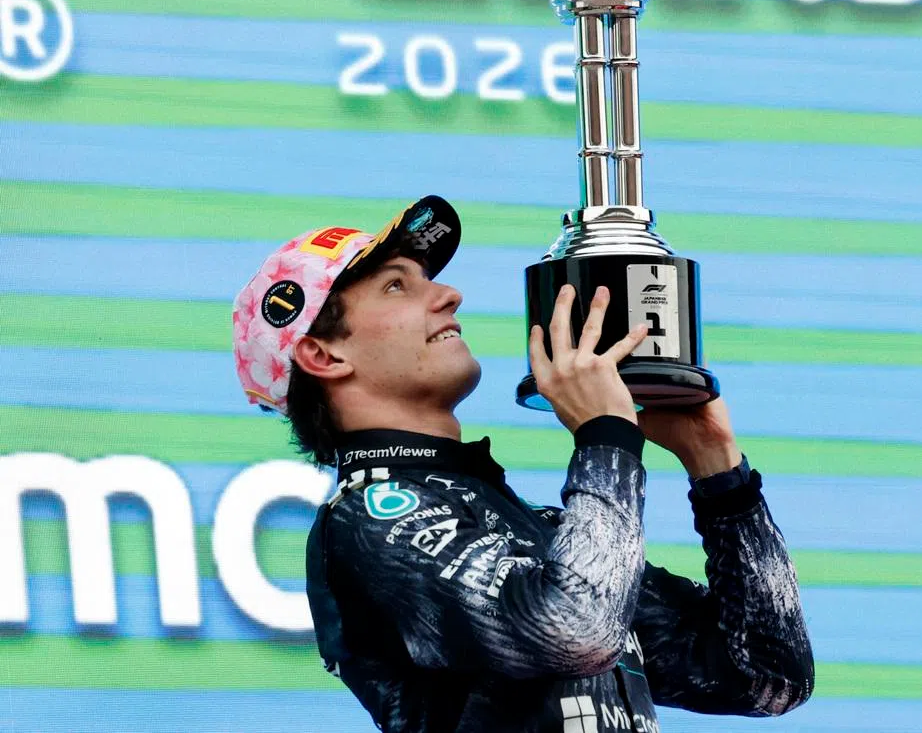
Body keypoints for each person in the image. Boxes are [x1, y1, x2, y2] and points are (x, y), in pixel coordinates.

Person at [233, 195, 814, 732]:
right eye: (394, 287)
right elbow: (573, 628)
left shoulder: (534, 528)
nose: (447, 294)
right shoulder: (371, 520)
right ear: (322, 353)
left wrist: (718, 473)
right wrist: (606, 436)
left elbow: (768, 677)